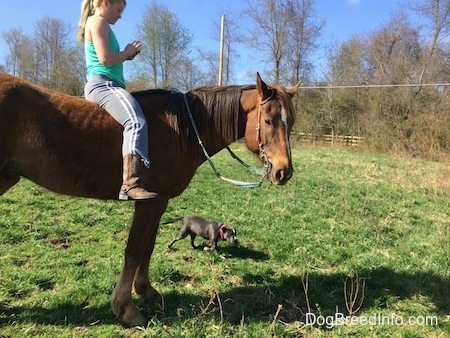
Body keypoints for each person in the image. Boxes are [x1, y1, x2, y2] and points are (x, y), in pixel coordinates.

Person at [77, 0, 159, 201]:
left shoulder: (98, 23)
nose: (120, 15)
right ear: (105, 2)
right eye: (119, 9)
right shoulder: (98, 21)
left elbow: (108, 57)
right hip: (103, 85)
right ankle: (130, 184)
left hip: (108, 84)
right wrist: (126, 53)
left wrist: (126, 56)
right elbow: (105, 58)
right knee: (136, 122)